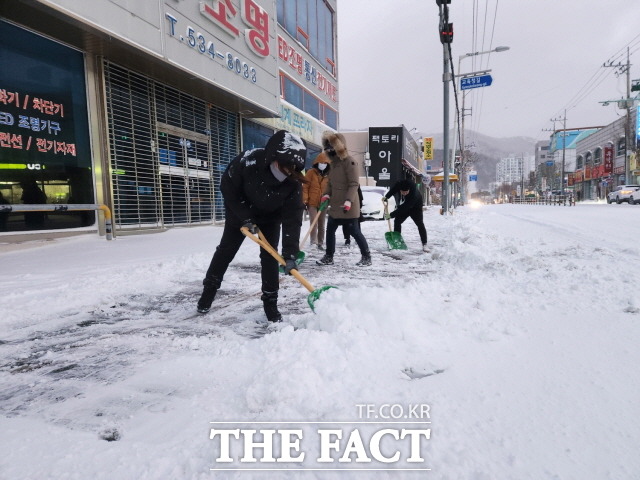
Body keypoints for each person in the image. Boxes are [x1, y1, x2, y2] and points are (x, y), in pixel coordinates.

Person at [197, 130, 307, 322]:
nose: (289, 172)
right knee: (225, 252)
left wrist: (290, 254)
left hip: (270, 219)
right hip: (240, 214)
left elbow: (293, 220)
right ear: (274, 157)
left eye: (294, 169)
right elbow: (228, 186)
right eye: (287, 167)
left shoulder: (293, 184)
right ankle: (208, 293)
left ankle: (271, 305)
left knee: (269, 259)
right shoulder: (249, 162)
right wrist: (244, 216)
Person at [316, 131, 371, 267]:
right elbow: (330, 183)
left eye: (332, 146)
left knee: (355, 232)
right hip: (335, 205)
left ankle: (366, 257)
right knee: (330, 231)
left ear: (339, 146)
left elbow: (353, 184)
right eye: (327, 146)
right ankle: (329, 256)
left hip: (348, 206)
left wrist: (348, 201)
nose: (329, 149)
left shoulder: (350, 162)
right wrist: (326, 195)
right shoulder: (333, 164)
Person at [383, 178, 429, 252]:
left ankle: (425, 244)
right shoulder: (399, 185)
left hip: (415, 208)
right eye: (402, 192)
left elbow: (404, 208)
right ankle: (397, 241)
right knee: (397, 221)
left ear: (409, 190)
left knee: (420, 224)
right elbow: (393, 190)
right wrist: (387, 197)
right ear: (400, 189)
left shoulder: (414, 194)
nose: (404, 194)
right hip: (406, 205)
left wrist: (391, 215)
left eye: (406, 192)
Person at [302, 151, 330, 250]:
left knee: (322, 224)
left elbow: (331, 188)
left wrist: (329, 198)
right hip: (312, 202)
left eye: (325, 163)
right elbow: (305, 187)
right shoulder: (310, 173)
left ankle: (320, 243)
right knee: (314, 222)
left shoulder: (329, 175)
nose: (323, 165)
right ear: (317, 163)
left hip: (323, 203)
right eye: (321, 163)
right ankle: (313, 242)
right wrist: (305, 199)